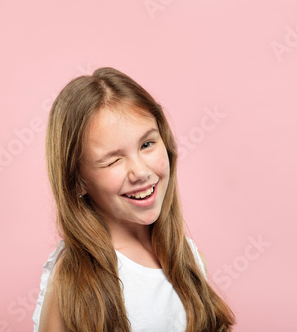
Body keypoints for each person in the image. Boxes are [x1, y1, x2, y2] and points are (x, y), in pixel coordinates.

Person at [32, 67, 235, 332]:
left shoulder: (188, 258)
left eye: (147, 145)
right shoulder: (73, 281)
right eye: (114, 160)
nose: (140, 172)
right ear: (78, 179)